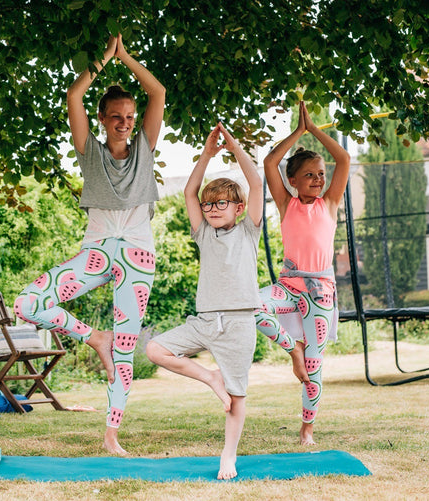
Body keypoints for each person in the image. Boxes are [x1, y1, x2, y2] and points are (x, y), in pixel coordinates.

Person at [14, 33, 165, 456]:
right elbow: (73, 94)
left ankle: (112, 434)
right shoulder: (89, 152)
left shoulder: (146, 149)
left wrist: (127, 58)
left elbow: (158, 91)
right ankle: (94, 337)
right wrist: (104, 59)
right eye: (116, 115)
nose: (125, 122)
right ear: (102, 118)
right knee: (27, 303)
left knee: (126, 349)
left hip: (137, 258)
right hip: (96, 254)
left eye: (130, 115)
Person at [146, 122, 290, 480]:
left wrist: (233, 146)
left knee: (237, 395)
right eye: (208, 204)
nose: (211, 209)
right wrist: (207, 155)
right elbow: (190, 192)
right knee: (155, 350)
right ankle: (210, 378)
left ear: (238, 207)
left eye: (220, 203)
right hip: (205, 321)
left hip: (239, 322)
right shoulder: (203, 235)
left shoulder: (248, 231)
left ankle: (229, 456)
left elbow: (256, 183)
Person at [258, 101, 350, 446]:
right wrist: (297, 132)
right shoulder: (286, 203)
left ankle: (307, 428)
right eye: (309, 174)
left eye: (320, 174)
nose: (318, 179)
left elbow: (343, 160)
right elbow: (270, 162)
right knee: (252, 303)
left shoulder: (330, 203)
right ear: (293, 180)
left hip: (321, 293)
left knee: (315, 368)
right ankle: (292, 349)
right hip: (288, 286)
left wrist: (316, 130)